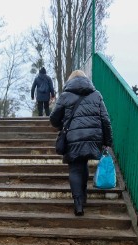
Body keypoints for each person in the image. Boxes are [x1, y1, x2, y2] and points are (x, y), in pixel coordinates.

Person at [49, 69, 113, 216]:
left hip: (73, 137)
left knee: (75, 168)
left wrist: (63, 126)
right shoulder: (96, 95)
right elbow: (106, 120)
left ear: (70, 80)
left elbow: (53, 118)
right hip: (93, 136)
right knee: (83, 163)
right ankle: (83, 196)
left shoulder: (65, 96)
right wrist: (107, 141)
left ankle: (78, 203)